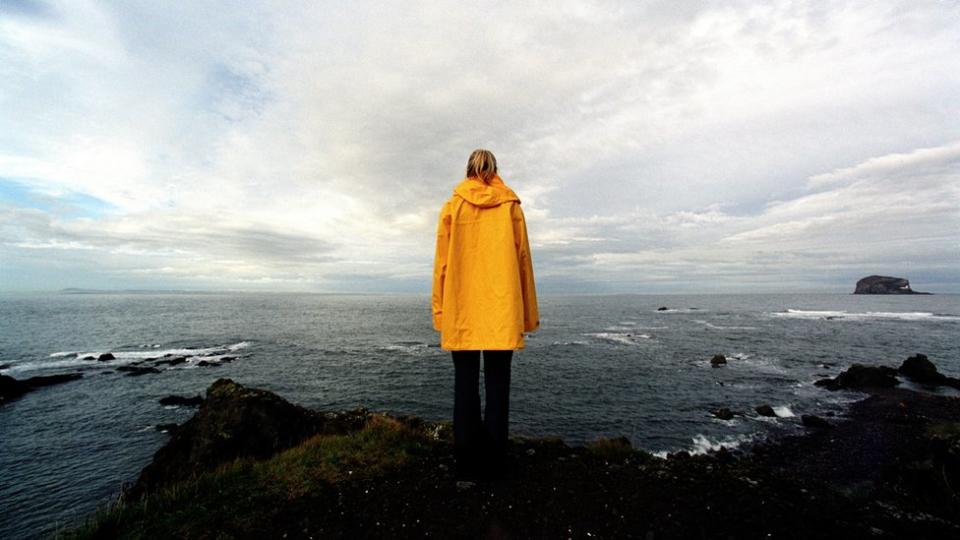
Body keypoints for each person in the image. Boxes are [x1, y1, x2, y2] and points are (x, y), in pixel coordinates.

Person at [431, 148, 540, 481]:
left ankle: (465, 463)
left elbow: (442, 266)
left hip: (462, 311)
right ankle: (494, 464)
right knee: (497, 387)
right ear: (495, 171)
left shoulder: (452, 206)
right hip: (502, 312)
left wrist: (440, 313)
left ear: (467, 170)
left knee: (464, 387)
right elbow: (524, 263)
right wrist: (528, 316)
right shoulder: (510, 207)